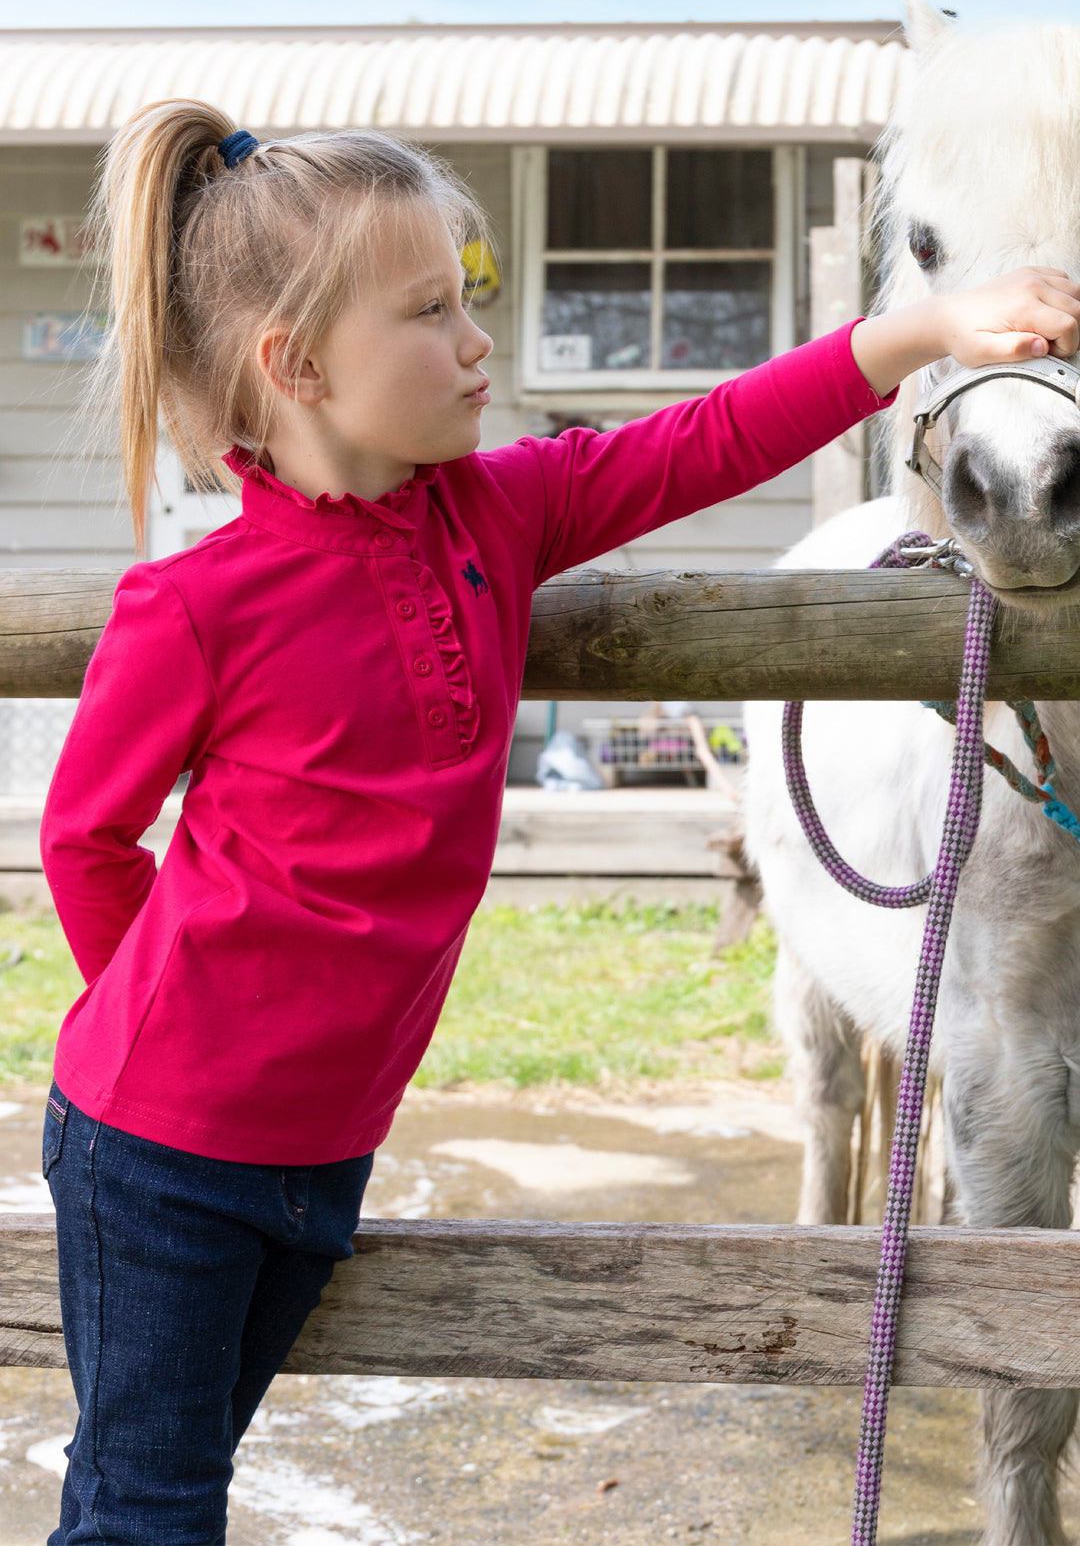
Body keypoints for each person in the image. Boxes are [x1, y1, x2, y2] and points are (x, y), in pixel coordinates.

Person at [38, 97, 1080, 1546]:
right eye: (429, 312)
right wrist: (180, 1043)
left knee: (185, 1471)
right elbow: (86, 839)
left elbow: (711, 438)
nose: (478, 340)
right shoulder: (193, 609)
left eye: (471, 298)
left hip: (320, 1151)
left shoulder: (498, 518)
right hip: (159, 1149)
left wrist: (928, 333)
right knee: (147, 1505)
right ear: (298, 368)